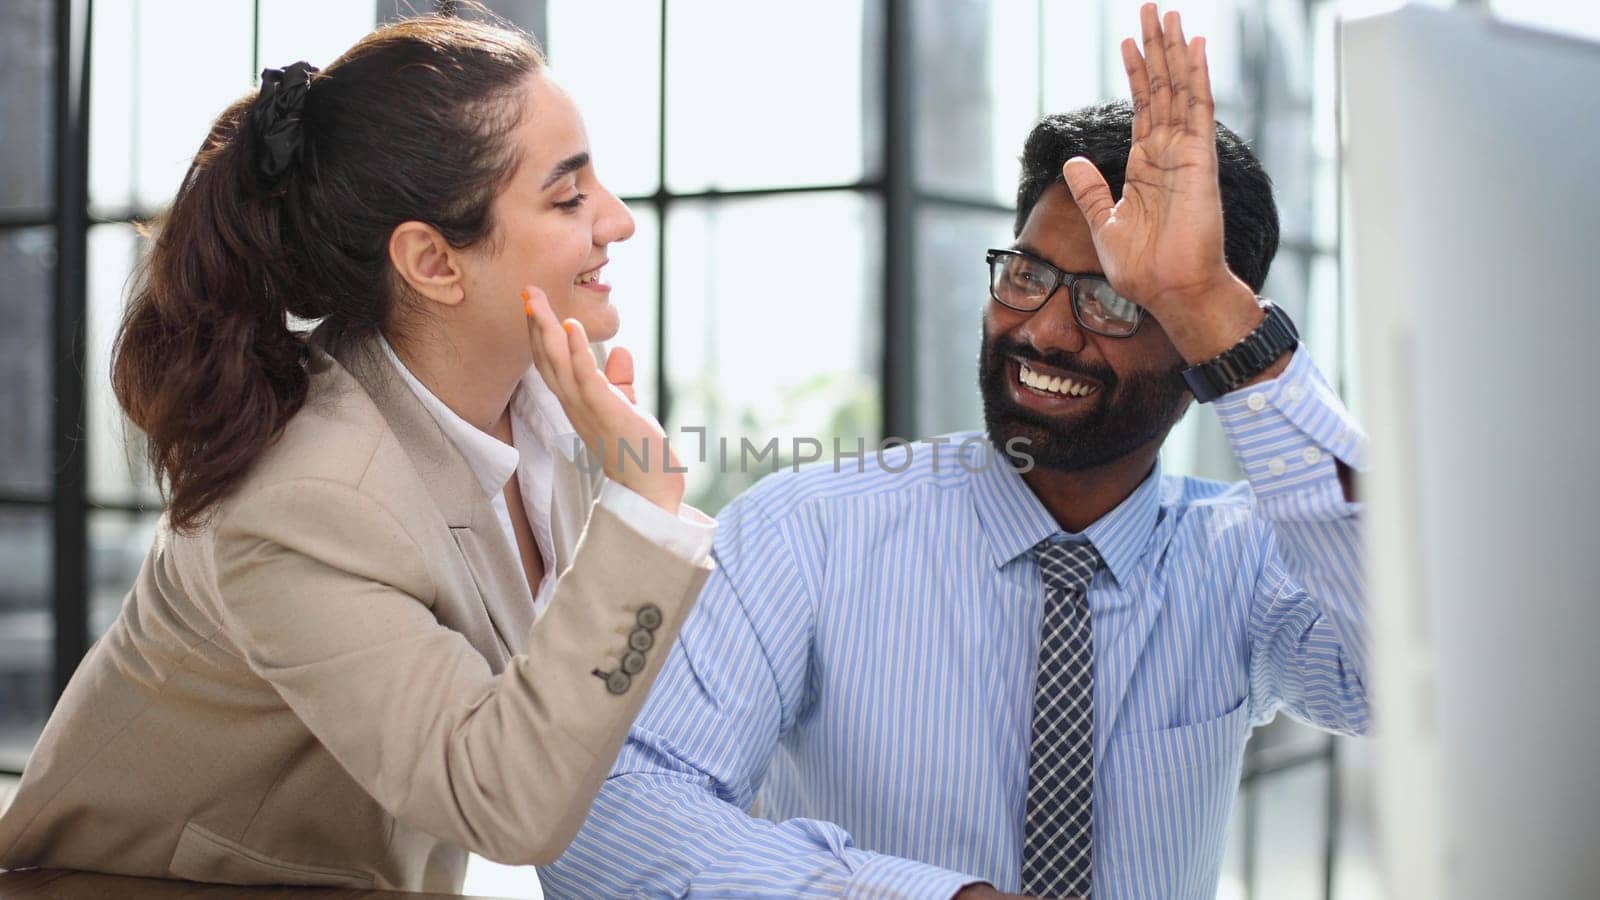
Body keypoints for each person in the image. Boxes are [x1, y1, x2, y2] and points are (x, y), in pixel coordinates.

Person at [542, 5, 1366, 899]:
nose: (1046, 329)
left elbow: (1399, 678)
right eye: (1025, 275)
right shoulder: (806, 536)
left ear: (1192, 336)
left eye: (1117, 301)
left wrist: (1208, 299)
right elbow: (604, 823)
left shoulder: (1240, 563)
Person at [0, 11, 713, 894]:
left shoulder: (542, 415)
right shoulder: (312, 495)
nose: (617, 221)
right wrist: (643, 505)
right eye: (568, 197)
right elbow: (504, 802)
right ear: (432, 262)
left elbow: (578, 720)